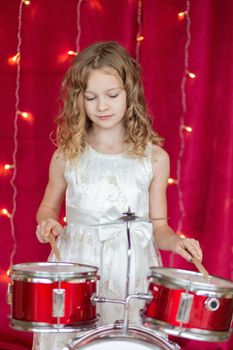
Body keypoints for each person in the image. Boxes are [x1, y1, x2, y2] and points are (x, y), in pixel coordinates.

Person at [33, 41, 202, 349]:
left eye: (112, 95)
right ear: (78, 100)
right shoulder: (66, 155)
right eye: (91, 97)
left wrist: (177, 243)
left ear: (130, 93)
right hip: (78, 267)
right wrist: (47, 223)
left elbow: (158, 227)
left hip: (131, 269)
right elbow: (47, 207)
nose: (102, 106)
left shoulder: (154, 158)